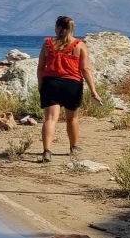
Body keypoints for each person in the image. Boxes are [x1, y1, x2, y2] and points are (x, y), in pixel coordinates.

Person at [36, 15, 102, 163]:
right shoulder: (79, 45)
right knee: (72, 118)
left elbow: (40, 68)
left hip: (50, 83)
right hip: (72, 84)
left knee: (51, 119)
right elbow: (85, 69)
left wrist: (41, 84)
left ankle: (47, 151)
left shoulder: (47, 44)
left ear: (57, 28)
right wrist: (93, 91)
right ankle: (73, 147)